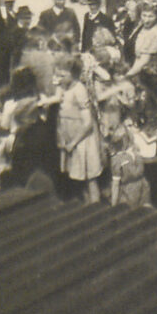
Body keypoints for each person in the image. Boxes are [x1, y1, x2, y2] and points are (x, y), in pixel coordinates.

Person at [54, 53, 103, 204]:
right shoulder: (63, 89)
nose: (59, 79)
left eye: (63, 75)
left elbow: (87, 123)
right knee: (77, 178)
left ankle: (96, 208)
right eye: (58, 75)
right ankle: (86, 207)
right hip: (69, 140)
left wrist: (73, 142)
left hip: (82, 141)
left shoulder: (79, 90)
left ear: (73, 74)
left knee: (90, 179)